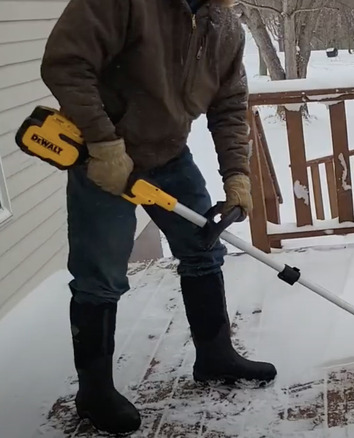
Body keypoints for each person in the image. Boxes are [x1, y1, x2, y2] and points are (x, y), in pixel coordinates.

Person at [39, 0, 276, 434]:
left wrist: (237, 177)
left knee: (204, 247)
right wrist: (103, 142)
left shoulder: (225, 26)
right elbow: (66, 63)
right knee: (100, 276)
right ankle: (94, 391)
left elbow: (228, 105)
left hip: (169, 155)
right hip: (103, 156)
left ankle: (215, 354)